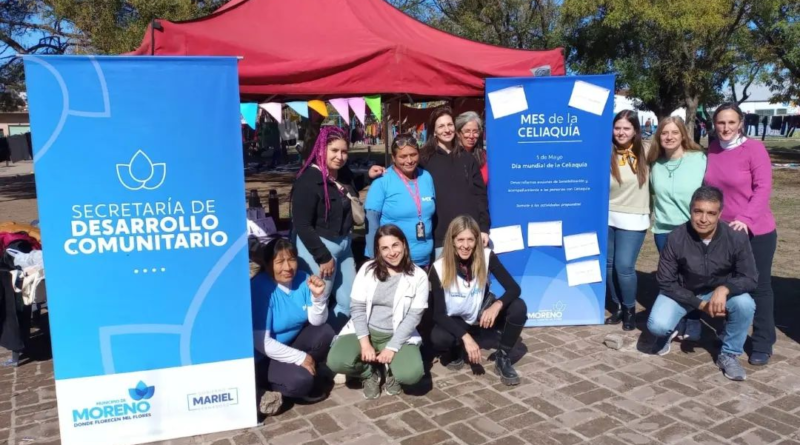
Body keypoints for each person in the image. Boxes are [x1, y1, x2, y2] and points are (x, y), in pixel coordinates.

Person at [647, 187, 757, 381]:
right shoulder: (676, 237)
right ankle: (668, 331)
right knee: (657, 326)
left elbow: (750, 277)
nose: (703, 219)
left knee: (745, 304)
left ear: (720, 214)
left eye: (711, 213)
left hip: (717, 292)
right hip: (682, 291)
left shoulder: (736, 237)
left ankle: (729, 354)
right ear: (690, 210)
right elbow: (665, 281)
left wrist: (725, 289)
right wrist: (699, 304)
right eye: (698, 211)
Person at [704, 102, 777, 367]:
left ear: (741, 123)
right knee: (727, 284)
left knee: (758, 286)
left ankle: (763, 342)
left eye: (731, 122)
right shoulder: (713, 149)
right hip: (724, 234)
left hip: (756, 231)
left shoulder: (754, 149)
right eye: (721, 123)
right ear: (714, 124)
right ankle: (730, 332)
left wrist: (745, 219)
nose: (726, 128)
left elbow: (763, 187)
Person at [327, 225, 428, 399]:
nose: (392, 252)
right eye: (385, 248)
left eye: (395, 245)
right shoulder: (368, 269)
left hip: (398, 334)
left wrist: (392, 348)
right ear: (378, 251)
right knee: (336, 361)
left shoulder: (418, 276)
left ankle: (392, 372)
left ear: (404, 244)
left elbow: (413, 317)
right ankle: (369, 372)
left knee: (412, 374)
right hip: (366, 330)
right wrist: (365, 344)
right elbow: (357, 307)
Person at [429, 215, 526, 386]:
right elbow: (438, 314)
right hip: (456, 319)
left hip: (481, 314)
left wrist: (497, 306)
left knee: (519, 307)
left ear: (476, 241)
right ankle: (456, 348)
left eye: (470, 240)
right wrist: (466, 338)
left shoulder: (487, 256)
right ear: (452, 241)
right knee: (439, 337)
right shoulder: (439, 267)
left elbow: (514, 288)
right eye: (460, 240)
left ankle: (503, 357)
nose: (465, 245)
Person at [250, 238, 336, 414]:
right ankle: (271, 383)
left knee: (325, 332)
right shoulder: (259, 288)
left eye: (291, 259)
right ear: (267, 264)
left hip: (290, 344)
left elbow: (317, 322)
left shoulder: (303, 278)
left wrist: (318, 297)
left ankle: (302, 370)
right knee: (301, 382)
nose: (288, 267)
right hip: (264, 357)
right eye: (279, 262)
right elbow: (261, 342)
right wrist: (300, 357)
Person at [291, 126, 359, 330]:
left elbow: (346, 195)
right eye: (334, 150)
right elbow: (302, 224)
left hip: (344, 245)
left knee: (350, 301)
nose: (340, 156)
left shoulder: (342, 174)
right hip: (319, 247)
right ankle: (313, 343)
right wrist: (323, 256)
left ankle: (333, 340)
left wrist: (368, 177)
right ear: (321, 149)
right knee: (318, 302)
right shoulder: (308, 181)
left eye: (344, 151)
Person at [650, 116, 707, 344]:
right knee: (672, 279)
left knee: (693, 278)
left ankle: (693, 319)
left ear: (683, 135)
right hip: (664, 231)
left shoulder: (698, 159)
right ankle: (676, 318)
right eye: (664, 133)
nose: (669, 137)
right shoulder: (655, 163)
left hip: (692, 230)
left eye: (675, 132)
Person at [606, 110, 657, 330]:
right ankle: (617, 306)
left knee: (624, 266)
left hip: (634, 217)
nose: (621, 132)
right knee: (608, 265)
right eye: (617, 128)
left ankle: (629, 309)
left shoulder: (647, 150)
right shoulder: (605, 151)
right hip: (606, 216)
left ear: (635, 130)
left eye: (626, 128)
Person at [420, 107, 490, 258]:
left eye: (449, 125)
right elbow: (404, 171)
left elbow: (480, 196)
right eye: (441, 126)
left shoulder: (467, 158)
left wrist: (484, 228)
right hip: (441, 236)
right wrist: (378, 172)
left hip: (468, 236)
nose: (447, 130)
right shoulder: (424, 159)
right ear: (434, 132)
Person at [364, 134, 436, 267]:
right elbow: (371, 224)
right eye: (403, 156)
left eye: (413, 155)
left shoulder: (426, 177)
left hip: (424, 261)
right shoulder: (382, 181)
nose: (409, 160)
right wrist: (374, 259)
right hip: (393, 261)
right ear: (393, 158)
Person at [455, 111, 488, 184]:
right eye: (467, 131)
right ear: (458, 133)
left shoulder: (484, 156)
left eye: (475, 131)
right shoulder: (451, 156)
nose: (471, 136)